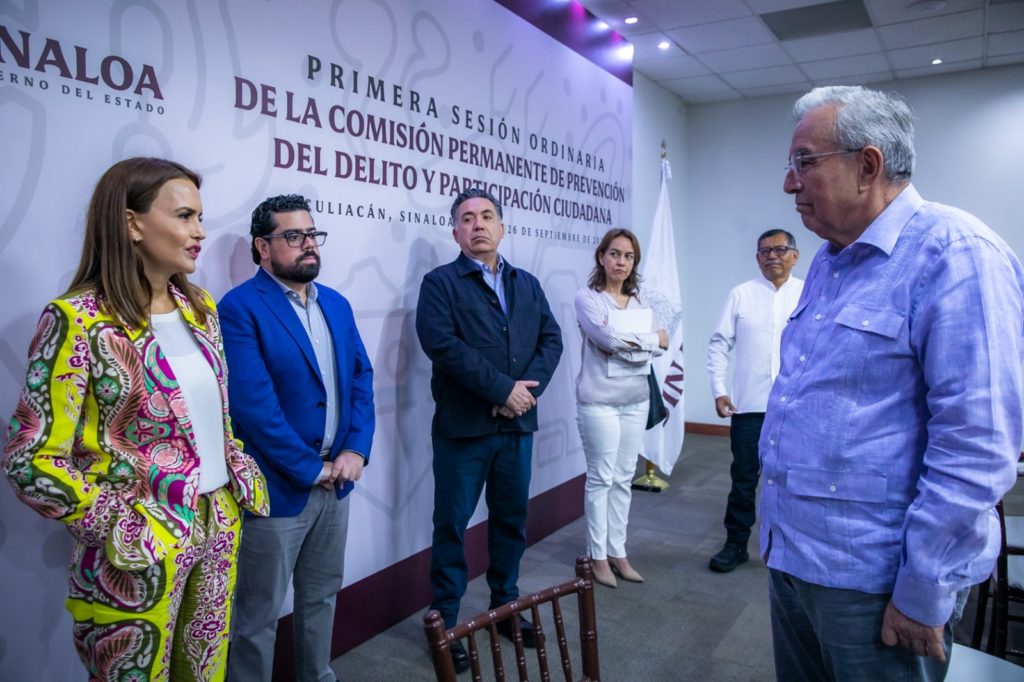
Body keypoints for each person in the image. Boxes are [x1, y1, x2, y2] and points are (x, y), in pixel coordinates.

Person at [761, 84, 1024, 680]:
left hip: (877, 582)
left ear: (868, 165)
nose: (789, 183)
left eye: (804, 162)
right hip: (794, 558)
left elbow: (978, 444)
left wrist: (923, 587)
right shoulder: (829, 260)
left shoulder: (956, 254)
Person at [1, 157, 269, 681]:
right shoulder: (78, 320)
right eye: (185, 216)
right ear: (132, 223)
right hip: (136, 550)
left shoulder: (200, 308)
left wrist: (232, 476)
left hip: (217, 526)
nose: (200, 232)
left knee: (205, 674)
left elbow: (210, 420)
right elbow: (30, 460)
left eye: (199, 217)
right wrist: (121, 524)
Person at [221, 194, 375, 682]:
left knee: (321, 596)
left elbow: (361, 379)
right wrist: (313, 468)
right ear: (262, 247)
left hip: (338, 480)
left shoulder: (336, 304)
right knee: (257, 616)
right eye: (293, 236)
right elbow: (254, 407)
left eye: (312, 234)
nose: (309, 244)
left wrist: (355, 449)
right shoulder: (239, 308)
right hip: (276, 488)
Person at [416, 187, 563, 672]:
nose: (477, 224)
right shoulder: (440, 283)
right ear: (455, 232)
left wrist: (525, 394)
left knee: (510, 521)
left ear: (501, 227)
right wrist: (502, 390)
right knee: (452, 527)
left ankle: (505, 607)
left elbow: (551, 339)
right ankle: (445, 623)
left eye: (486, 216)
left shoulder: (527, 283)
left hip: (517, 426)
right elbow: (442, 345)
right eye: (467, 218)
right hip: (464, 430)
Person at [574, 228, 667, 588]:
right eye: (614, 254)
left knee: (624, 478)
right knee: (601, 478)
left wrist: (638, 344)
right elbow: (607, 339)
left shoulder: (640, 303)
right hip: (599, 402)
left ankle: (617, 551)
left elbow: (662, 344)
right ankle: (597, 556)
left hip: (635, 401)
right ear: (602, 257)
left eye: (629, 257)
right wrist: (647, 342)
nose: (621, 262)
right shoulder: (588, 298)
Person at [705, 229, 803, 574]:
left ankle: (792, 549)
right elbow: (719, 344)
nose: (771, 256)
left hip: (797, 409)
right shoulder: (741, 295)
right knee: (744, 478)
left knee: (794, 480)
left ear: (795, 256)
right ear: (757, 258)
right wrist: (719, 389)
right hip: (749, 407)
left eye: (780, 249)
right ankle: (735, 544)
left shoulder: (810, 293)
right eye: (764, 251)